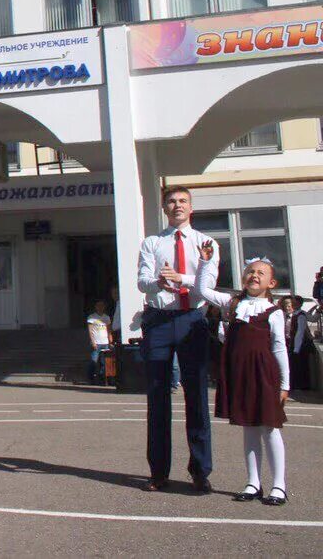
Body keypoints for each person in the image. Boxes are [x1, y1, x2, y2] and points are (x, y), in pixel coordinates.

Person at [136, 185, 218, 494]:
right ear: (164, 208)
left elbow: (206, 284)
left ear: (191, 207)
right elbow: (142, 282)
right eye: (171, 201)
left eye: (182, 201)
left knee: (196, 394)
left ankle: (200, 470)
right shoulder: (152, 242)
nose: (177, 205)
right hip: (159, 320)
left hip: (191, 319)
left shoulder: (205, 243)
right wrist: (159, 280)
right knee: (157, 396)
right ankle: (158, 472)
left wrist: (180, 278)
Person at [196, 251, 290, 505]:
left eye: (261, 273)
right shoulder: (233, 304)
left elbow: (279, 348)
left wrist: (285, 384)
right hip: (242, 374)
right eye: (250, 271)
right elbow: (202, 289)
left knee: (270, 428)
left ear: (271, 283)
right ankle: (253, 482)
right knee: (249, 428)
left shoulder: (274, 311)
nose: (254, 275)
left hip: (264, 374)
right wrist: (205, 262)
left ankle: (279, 485)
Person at [286, 296, 313, 392]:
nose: (292, 304)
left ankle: (302, 385)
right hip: (295, 343)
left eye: (294, 302)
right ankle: (298, 384)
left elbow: (300, 332)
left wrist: (296, 348)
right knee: (296, 365)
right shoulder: (296, 314)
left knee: (300, 365)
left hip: (299, 345)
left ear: (299, 304)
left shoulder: (300, 315)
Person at [86, 300, 113, 385]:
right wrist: (93, 341)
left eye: (102, 305)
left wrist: (110, 341)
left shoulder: (107, 317)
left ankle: (102, 379)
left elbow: (108, 330)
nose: (100, 307)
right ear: (96, 307)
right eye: (98, 305)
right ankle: (91, 378)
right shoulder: (91, 317)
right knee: (93, 361)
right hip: (96, 343)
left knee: (104, 362)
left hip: (105, 342)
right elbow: (90, 331)